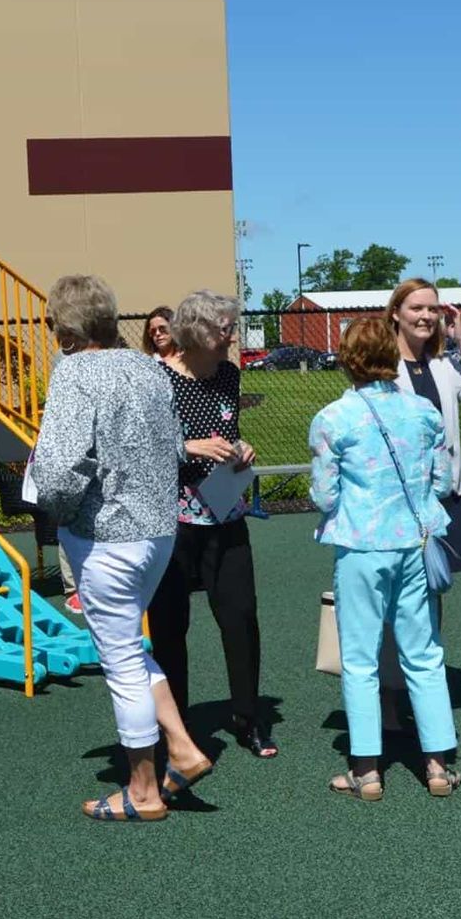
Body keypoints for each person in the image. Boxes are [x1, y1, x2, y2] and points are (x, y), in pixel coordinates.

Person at [32, 274, 212, 820]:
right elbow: (170, 446)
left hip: (105, 534)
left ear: (61, 329)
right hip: (158, 529)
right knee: (132, 649)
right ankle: (180, 747)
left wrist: (53, 509)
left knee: (121, 664)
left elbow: (59, 471)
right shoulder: (149, 369)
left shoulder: (73, 374)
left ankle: (142, 790)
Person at [309, 318, 461, 800]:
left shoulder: (333, 418)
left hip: (361, 545)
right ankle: (437, 766)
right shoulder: (423, 413)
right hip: (415, 542)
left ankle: (367, 771)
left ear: (347, 358)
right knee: (424, 654)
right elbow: (441, 482)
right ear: (392, 356)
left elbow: (323, 493)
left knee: (359, 659)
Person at [147, 290, 277, 758]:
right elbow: (139, 451)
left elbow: (229, 433)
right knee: (169, 625)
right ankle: (175, 727)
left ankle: (248, 717)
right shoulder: (155, 379)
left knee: (241, 615)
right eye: (225, 328)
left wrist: (241, 452)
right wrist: (190, 448)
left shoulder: (228, 375)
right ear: (199, 330)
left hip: (225, 513)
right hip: (172, 521)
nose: (231, 337)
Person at [384, 278, 461, 574]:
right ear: (396, 313)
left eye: (432, 309)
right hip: (401, 496)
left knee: (437, 581)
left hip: (444, 492)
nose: (426, 316)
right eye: (416, 308)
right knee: (404, 587)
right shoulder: (382, 367)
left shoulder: (441, 365)